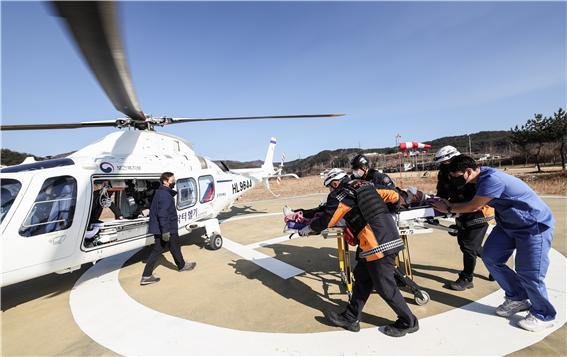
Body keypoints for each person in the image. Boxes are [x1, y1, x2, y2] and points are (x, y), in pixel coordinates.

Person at [432, 155, 556, 332]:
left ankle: (543, 314)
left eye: (456, 175)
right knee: (490, 257)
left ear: (468, 172)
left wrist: (449, 208)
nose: (453, 179)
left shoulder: (492, 179)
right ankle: (517, 298)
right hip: (508, 225)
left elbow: (474, 206)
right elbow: (467, 201)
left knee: (529, 273)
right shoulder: (476, 180)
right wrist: (447, 202)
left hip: (533, 226)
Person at [298, 168, 419, 337]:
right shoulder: (367, 185)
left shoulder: (340, 193)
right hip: (386, 235)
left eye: (330, 187)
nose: (331, 191)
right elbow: (393, 195)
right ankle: (351, 317)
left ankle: (409, 321)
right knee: (362, 278)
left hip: (377, 243)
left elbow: (329, 218)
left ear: (334, 183)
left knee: (385, 286)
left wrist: (308, 229)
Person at [434, 146, 493, 291]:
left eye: (447, 163)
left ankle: (466, 278)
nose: (446, 166)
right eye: (443, 164)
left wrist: (451, 207)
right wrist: (439, 202)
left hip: (478, 212)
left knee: (469, 246)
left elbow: (476, 200)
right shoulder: (444, 172)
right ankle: (496, 266)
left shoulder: (470, 171)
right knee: (469, 245)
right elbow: (442, 190)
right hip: (460, 211)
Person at [140, 172, 196, 285]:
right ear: (165, 181)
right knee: (167, 248)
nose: (174, 182)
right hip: (167, 228)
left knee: (169, 248)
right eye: (172, 180)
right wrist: (165, 231)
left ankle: (180, 265)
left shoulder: (160, 192)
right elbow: (163, 214)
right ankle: (147, 275)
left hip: (162, 228)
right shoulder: (165, 195)